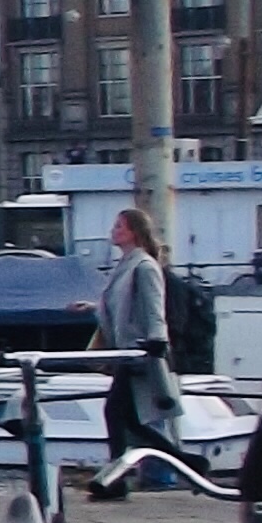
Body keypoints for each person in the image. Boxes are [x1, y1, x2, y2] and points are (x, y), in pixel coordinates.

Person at [83, 208, 177, 496]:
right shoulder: (125, 266)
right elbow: (118, 305)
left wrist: (157, 341)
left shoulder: (144, 267)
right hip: (126, 352)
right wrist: (92, 308)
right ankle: (178, 462)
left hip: (139, 351)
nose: (113, 231)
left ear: (134, 232)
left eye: (119, 227)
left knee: (117, 412)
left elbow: (154, 307)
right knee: (128, 416)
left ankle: (119, 477)